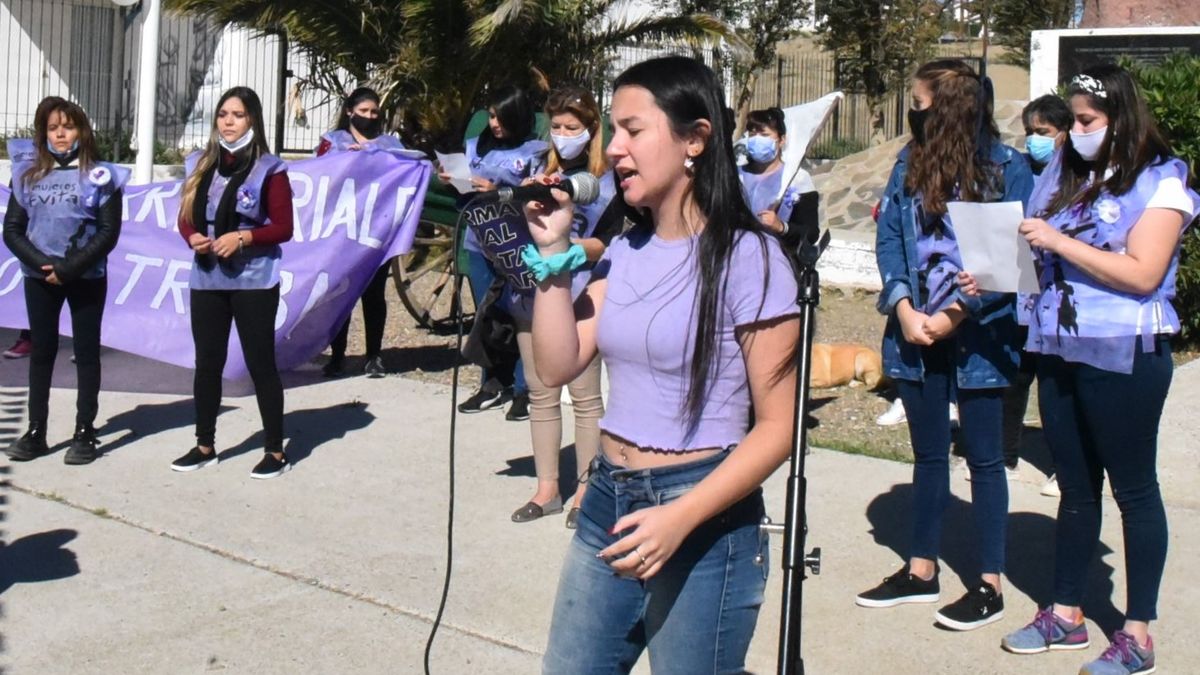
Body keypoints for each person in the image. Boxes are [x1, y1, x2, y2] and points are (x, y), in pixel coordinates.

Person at [528, 57, 800, 672]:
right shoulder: (622, 250)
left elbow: (779, 428)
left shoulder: (751, 258)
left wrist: (679, 518)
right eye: (611, 135)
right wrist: (551, 256)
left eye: (632, 131)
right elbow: (555, 366)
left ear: (695, 140)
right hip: (605, 501)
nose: (613, 151)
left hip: (703, 515)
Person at [988, 64, 1197, 675]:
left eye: (1086, 121)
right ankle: (1066, 612)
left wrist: (1056, 241)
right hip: (1058, 346)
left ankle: (1137, 631)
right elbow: (1034, 253)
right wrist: (997, 271)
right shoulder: (1061, 176)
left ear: (1120, 120)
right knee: (1076, 491)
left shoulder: (1162, 180)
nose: (1072, 132)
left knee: (1133, 489)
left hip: (1125, 352)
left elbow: (1142, 273)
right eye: (1072, 120)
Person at [857, 59, 1032, 632]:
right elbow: (888, 238)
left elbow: (1013, 264)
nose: (915, 110)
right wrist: (906, 308)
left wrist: (956, 315)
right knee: (928, 455)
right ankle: (921, 569)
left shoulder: (1009, 170)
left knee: (984, 459)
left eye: (920, 100)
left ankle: (989, 583)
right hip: (915, 335)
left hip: (979, 339)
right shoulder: (909, 163)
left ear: (950, 105)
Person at [501, 86, 620, 526]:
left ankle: (586, 491)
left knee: (586, 398)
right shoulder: (538, 168)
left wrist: (570, 251)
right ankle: (547, 487)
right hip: (532, 291)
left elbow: (611, 239)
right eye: (556, 127)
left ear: (592, 129)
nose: (564, 135)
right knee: (540, 392)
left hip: (583, 291)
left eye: (573, 127)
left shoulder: (608, 179)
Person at [169, 86, 295, 479]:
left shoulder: (270, 169)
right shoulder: (202, 164)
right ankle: (204, 444)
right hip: (207, 276)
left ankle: (274, 450)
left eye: (237, 115)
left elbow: (283, 227)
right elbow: (186, 217)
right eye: (223, 114)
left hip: (254, 279)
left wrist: (243, 237)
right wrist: (192, 237)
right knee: (207, 362)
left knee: (260, 363)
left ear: (252, 120)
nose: (227, 121)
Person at [2, 96, 128, 465]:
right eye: (53, 127)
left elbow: (108, 232)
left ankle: (85, 432)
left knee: (86, 354)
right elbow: (13, 230)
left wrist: (69, 268)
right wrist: (43, 265)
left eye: (68, 126)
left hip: (86, 277)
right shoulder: (28, 175)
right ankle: (36, 431)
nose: (60, 134)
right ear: (43, 133)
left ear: (81, 130)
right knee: (41, 352)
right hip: (38, 277)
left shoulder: (102, 175)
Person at [440, 85, 544, 419]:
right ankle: (491, 384)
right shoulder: (475, 147)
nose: (494, 122)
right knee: (488, 314)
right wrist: (452, 179)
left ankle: (523, 388)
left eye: (500, 115)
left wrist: (497, 189)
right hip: (478, 239)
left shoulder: (535, 151)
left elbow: (538, 193)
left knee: (520, 316)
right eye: (492, 115)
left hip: (516, 244)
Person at [1008, 93, 1073, 497]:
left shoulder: (1075, 174)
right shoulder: (1018, 169)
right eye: (1030, 132)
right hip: (1020, 286)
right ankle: (1004, 455)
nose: (1035, 140)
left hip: (1060, 293)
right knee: (1016, 375)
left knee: (1057, 383)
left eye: (1043, 133)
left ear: (1063, 133)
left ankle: (1064, 468)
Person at [317, 87, 403, 378]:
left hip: (376, 228)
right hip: (342, 230)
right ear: (349, 112)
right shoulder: (333, 142)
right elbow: (319, 176)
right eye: (363, 111)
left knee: (374, 294)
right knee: (340, 295)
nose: (369, 117)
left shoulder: (390, 143)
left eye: (374, 112)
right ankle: (337, 354)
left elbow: (408, 168)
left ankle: (374, 355)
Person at [737, 106, 819, 250]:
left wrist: (781, 227)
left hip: (777, 261)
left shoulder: (797, 179)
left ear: (781, 140)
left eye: (764, 135)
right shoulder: (736, 174)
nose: (757, 140)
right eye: (752, 134)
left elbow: (811, 233)